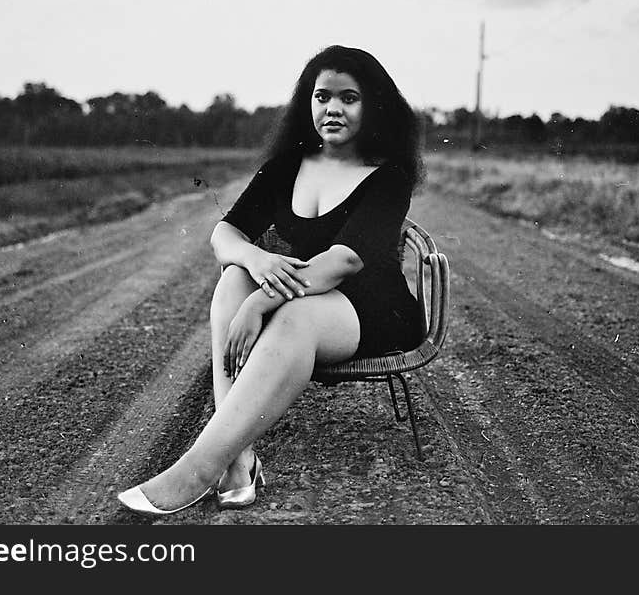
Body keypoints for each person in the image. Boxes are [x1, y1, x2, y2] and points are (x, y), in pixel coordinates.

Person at [117, 45, 424, 515]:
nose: (333, 109)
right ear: (309, 103)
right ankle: (238, 461)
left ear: (373, 105)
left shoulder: (388, 176)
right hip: (301, 294)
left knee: (294, 315)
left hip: (368, 310)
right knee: (233, 278)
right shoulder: (288, 165)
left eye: (349, 98)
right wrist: (255, 261)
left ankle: (200, 467)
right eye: (322, 97)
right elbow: (226, 232)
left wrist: (261, 303)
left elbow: (344, 262)